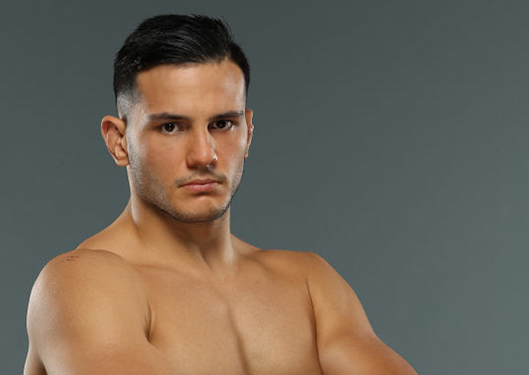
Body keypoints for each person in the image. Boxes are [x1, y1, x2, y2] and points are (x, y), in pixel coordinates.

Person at [23, 14, 418, 375]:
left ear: (248, 131)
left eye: (222, 124)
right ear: (119, 142)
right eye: (171, 127)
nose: (204, 155)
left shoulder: (308, 285)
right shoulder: (82, 283)